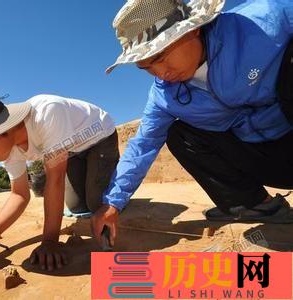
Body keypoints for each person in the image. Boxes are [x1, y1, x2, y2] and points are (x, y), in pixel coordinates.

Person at [92, 0, 293, 246]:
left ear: (192, 29)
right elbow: (142, 146)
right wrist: (112, 203)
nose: (161, 73)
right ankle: (257, 207)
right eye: (147, 67)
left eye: (161, 56)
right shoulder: (164, 96)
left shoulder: (264, 22)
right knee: (179, 134)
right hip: (268, 160)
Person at [0, 88, 119, 271]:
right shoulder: (9, 149)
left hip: (99, 138)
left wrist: (49, 241)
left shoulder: (47, 113)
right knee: (77, 207)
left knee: (96, 203)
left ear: (1, 129)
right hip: (71, 152)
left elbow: (55, 179)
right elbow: (19, 194)